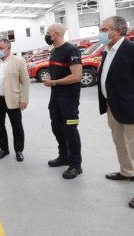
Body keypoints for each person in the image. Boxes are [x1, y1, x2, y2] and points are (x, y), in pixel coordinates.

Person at [97, 16, 134, 209]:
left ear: (117, 31)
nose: (100, 33)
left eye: (104, 29)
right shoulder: (107, 52)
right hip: (113, 107)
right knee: (120, 143)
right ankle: (127, 171)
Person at [43, 23, 83, 179]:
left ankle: (75, 165)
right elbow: (59, 74)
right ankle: (64, 156)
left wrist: (54, 82)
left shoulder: (71, 50)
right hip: (56, 98)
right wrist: (51, 79)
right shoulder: (54, 51)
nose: (46, 36)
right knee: (57, 127)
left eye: (48, 33)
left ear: (56, 34)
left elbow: (76, 76)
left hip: (69, 99)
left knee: (70, 129)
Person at [0, 39, 30, 162]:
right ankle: (4, 149)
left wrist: (24, 99)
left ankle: (19, 150)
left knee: (17, 126)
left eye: (0, 48)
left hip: (13, 99)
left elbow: (25, 81)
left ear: (8, 49)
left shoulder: (19, 61)